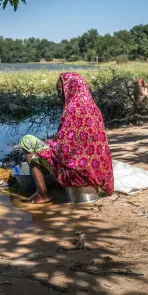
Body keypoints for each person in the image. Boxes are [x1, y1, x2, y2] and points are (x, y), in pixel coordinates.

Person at [19, 72, 114, 203]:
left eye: (60, 92)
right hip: (98, 174)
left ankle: (42, 193)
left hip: (77, 174)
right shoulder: (93, 108)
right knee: (46, 146)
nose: (59, 97)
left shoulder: (72, 109)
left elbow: (63, 151)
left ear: (70, 89)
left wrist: (48, 146)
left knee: (27, 141)